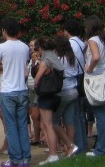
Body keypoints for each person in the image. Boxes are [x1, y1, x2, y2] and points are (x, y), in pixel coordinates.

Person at [0, 17, 31, 167]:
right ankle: (25, 159)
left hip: (8, 91)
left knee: (11, 127)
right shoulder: (25, 47)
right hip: (22, 90)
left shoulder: (1, 47)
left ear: (4, 30)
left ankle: (15, 159)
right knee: (22, 126)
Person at [33, 36, 73, 165]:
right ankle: (69, 145)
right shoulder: (55, 58)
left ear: (41, 48)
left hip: (46, 96)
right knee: (54, 124)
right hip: (56, 95)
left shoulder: (45, 61)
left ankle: (53, 155)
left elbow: (36, 80)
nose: (37, 51)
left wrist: (36, 86)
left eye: (37, 48)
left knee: (47, 126)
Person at [84, 15, 105, 157]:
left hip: (96, 80)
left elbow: (95, 57)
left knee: (100, 115)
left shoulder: (92, 40)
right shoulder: (103, 40)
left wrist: (89, 68)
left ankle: (101, 149)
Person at [52, 35, 80, 158]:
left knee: (54, 121)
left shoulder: (59, 59)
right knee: (69, 121)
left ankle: (69, 145)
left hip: (63, 92)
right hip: (74, 90)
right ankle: (70, 149)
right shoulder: (73, 58)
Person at [63, 19, 87, 153]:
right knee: (81, 114)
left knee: (75, 115)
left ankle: (79, 146)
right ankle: (83, 144)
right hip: (82, 77)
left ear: (67, 30)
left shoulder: (71, 44)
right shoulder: (81, 42)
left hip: (75, 79)